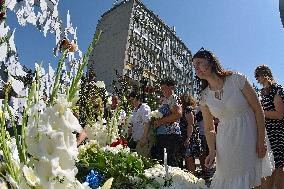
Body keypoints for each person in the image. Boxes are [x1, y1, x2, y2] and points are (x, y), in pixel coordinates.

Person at [192, 48, 274, 189]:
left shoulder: (236, 79)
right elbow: (209, 128)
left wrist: (261, 141)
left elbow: (258, 110)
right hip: (226, 142)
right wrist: (212, 151)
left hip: (250, 136)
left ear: (211, 62)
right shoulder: (204, 96)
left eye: (199, 62)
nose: (196, 67)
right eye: (194, 65)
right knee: (229, 179)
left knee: (254, 180)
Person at [254, 65, 284, 189]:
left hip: (277, 131)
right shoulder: (261, 92)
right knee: (271, 164)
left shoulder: (277, 89)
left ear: (264, 75)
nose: (256, 79)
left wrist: (260, 112)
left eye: (257, 76)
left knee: (278, 164)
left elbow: (280, 114)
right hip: (266, 132)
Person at [153, 77, 182, 167]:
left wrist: (160, 121)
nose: (162, 90)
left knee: (170, 162)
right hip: (164, 134)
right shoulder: (166, 99)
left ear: (171, 87)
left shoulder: (174, 98)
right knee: (164, 161)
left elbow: (178, 114)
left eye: (164, 88)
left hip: (170, 135)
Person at [179, 93, 200, 175]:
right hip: (186, 136)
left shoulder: (188, 109)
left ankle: (193, 178)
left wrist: (188, 138)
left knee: (189, 159)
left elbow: (190, 124)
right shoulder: (186, 109)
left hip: (188, 137)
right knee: (188, 159)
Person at [128, 91, 151, 157]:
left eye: (133, 100)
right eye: (130, 100)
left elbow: (147, 123)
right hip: (136, 139)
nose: (131, 102)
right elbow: (133, 124)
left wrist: (144, 138)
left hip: (142, 140)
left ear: (138, 99)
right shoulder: (135, 109)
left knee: (142, 157)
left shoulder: (144, 108)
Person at [195, 105, 210, 179]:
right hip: (202, 133)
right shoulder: (198, 108)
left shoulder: (202, 109)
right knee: (203, 154)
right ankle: (205, 170)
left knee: (203, 154)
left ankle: (206, 171)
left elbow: (197, 118)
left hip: (203, 133)